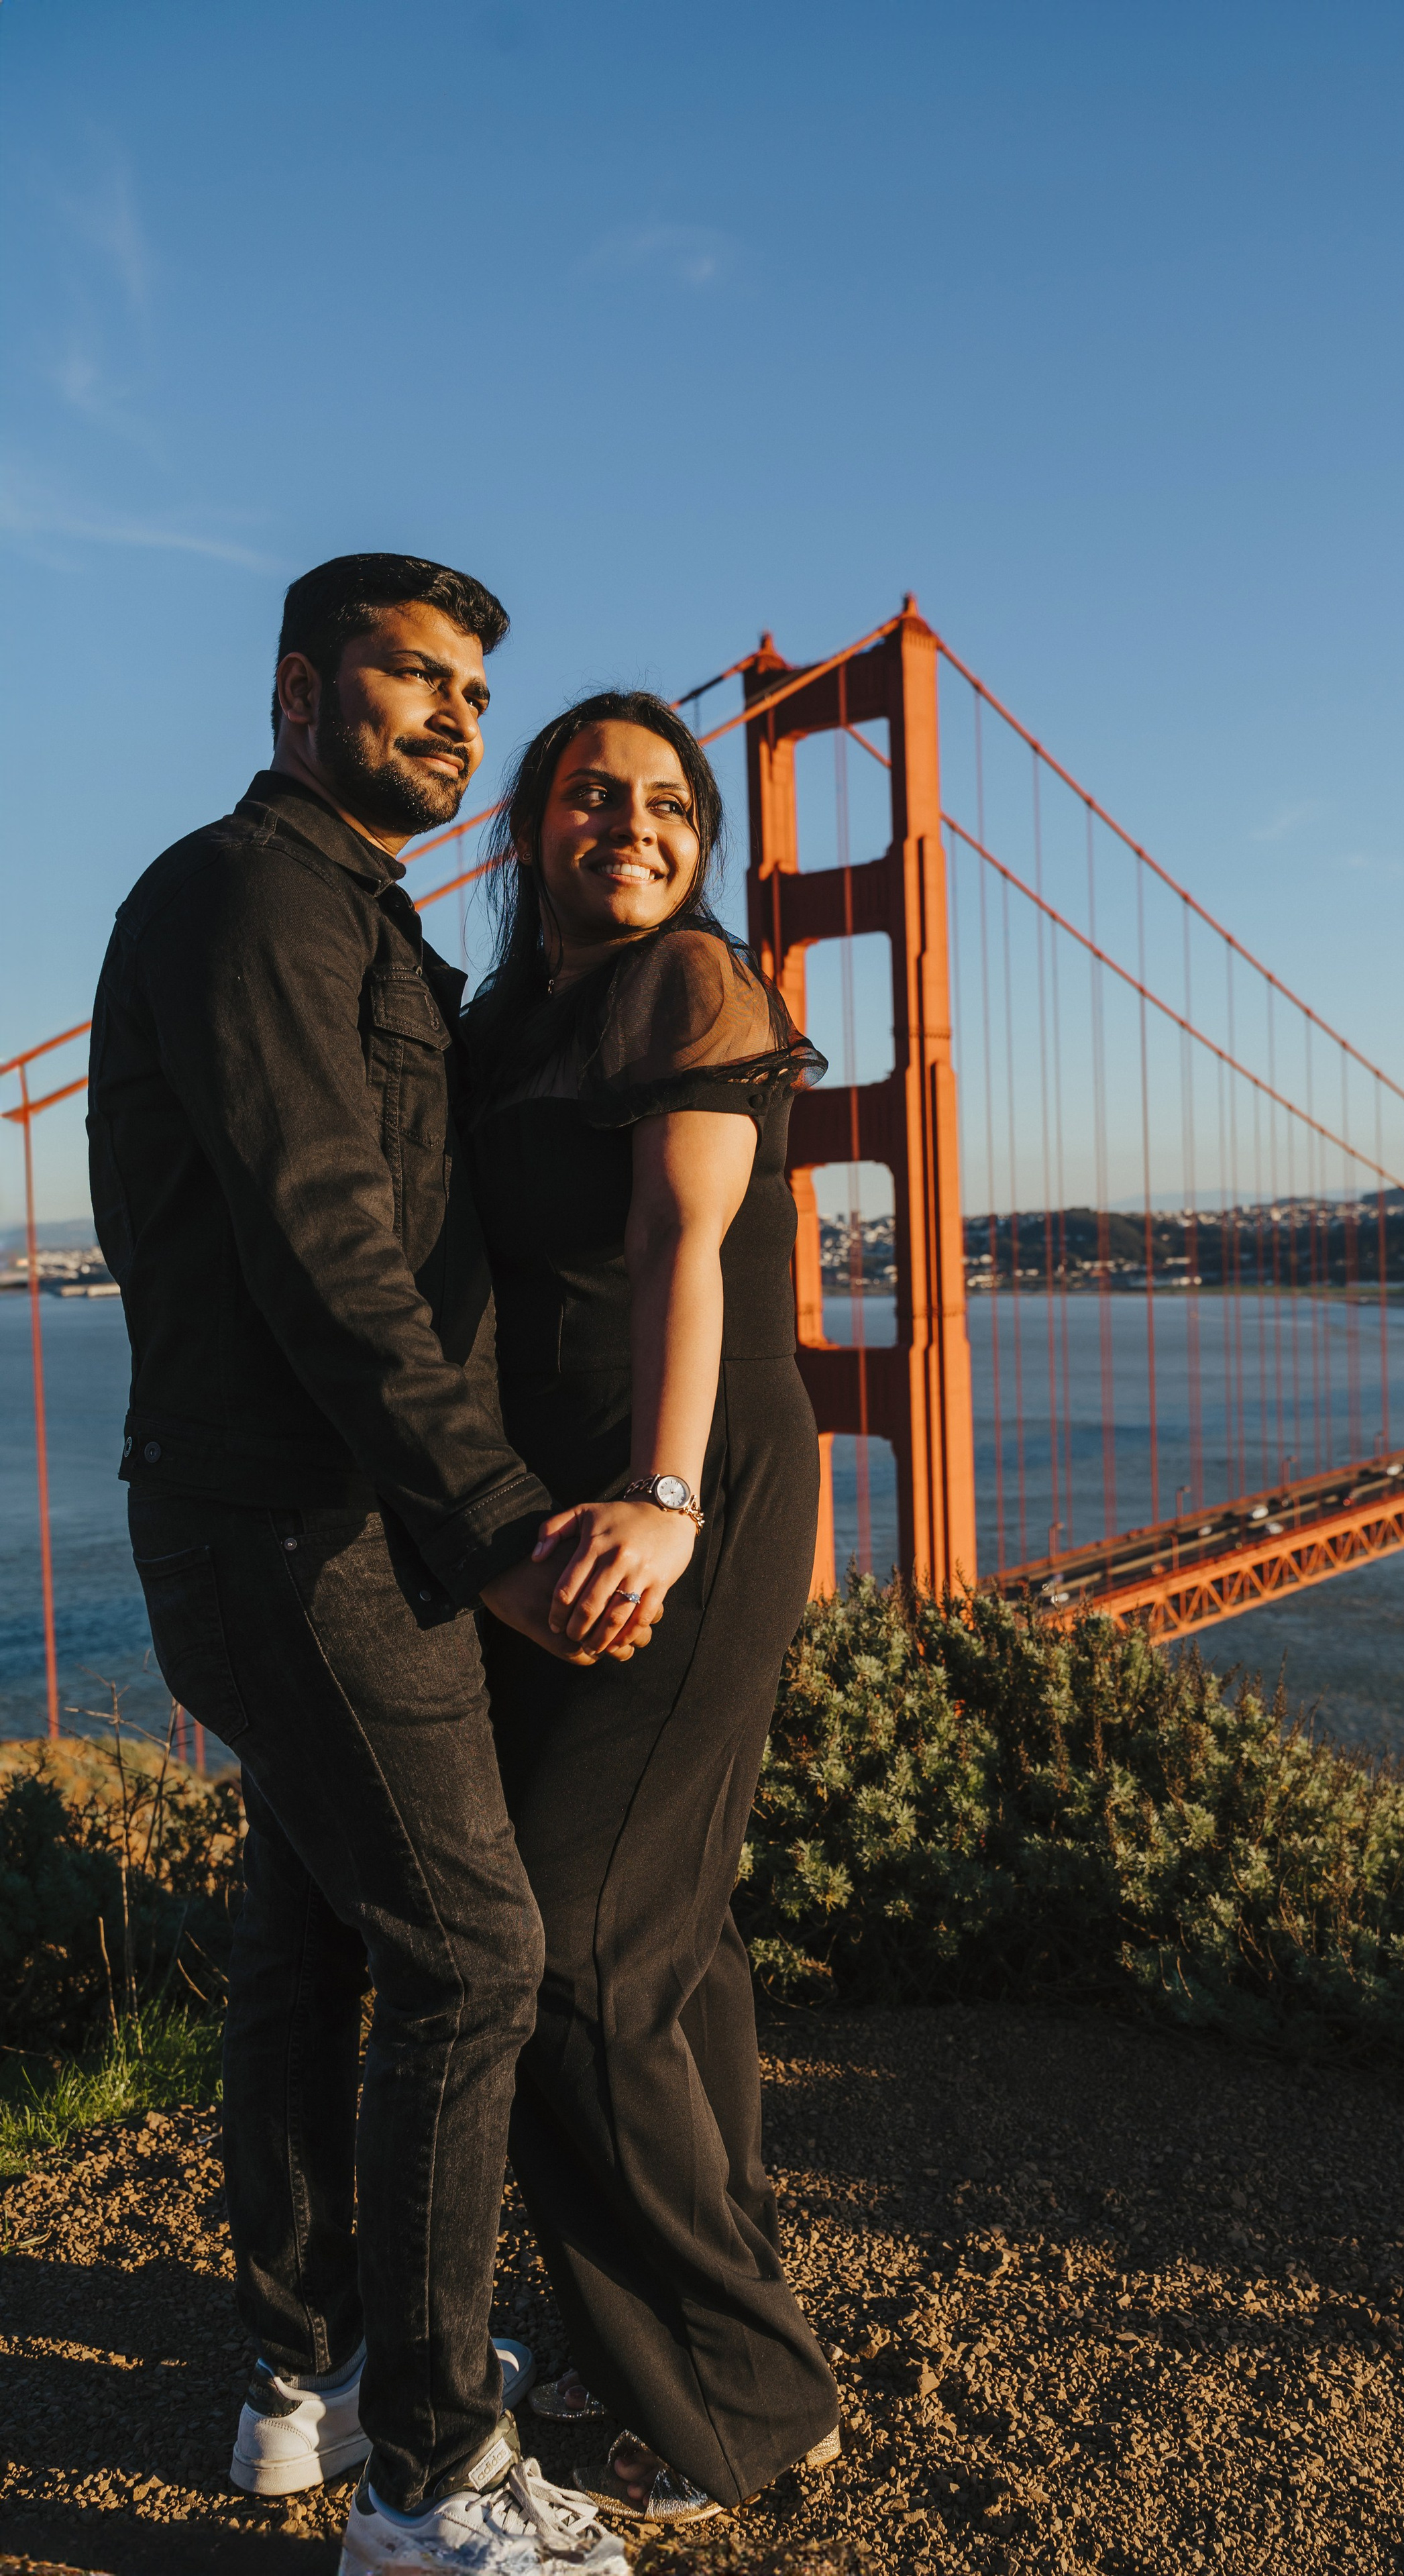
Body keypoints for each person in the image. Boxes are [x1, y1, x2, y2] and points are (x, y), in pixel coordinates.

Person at [88, 556, 625, 2576]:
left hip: (319, 1516)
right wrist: (493, 1527)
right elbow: (331, 1245)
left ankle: (295, 2384)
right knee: (478, 1954)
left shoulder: (363, 924)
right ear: (302, 690)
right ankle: (432, 2475)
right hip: (305, 1525)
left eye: (479, 688)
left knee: (315, 1948)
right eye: (416, 678)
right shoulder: (242, 901)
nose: (460, 717)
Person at [463, 691, 842, 2525]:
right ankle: (698, 2320)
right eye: (591, 795)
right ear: (525, 827)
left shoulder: (697, 982)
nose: (636, 823)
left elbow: (693, 1244)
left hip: (674, 1501)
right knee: (662, 1938)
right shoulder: (505, 1021)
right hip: (556, 1517)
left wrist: (671, 1502)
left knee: (565, 1944)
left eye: (671, 802)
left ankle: (738, 2400)